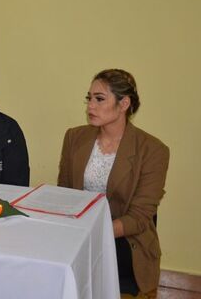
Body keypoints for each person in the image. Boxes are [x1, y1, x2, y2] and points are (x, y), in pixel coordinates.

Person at [57, 69, 169, 298]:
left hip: (125, 240)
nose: (90, 106)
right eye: (89, 98)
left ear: (124, 103)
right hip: (79, 231)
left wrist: (92, 231)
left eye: (99, 99)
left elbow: (139, 218)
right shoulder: (74, 137)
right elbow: (66, 195)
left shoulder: (153, 150)